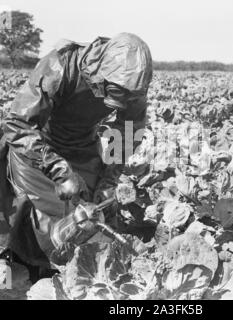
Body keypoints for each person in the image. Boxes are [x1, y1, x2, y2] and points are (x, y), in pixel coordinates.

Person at [0, 33, 153, 280]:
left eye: (125, 99)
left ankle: (83, 275)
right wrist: (59, 170)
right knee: (42, 218)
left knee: (91, 216)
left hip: (82, 147)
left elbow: (126, 134)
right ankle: (29, 268)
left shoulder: (132, 89)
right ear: (100, 69)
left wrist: (109, 180)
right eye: (113, 92)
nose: (116, 104)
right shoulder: (62, 66)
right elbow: (18, 125)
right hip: (37, 145)